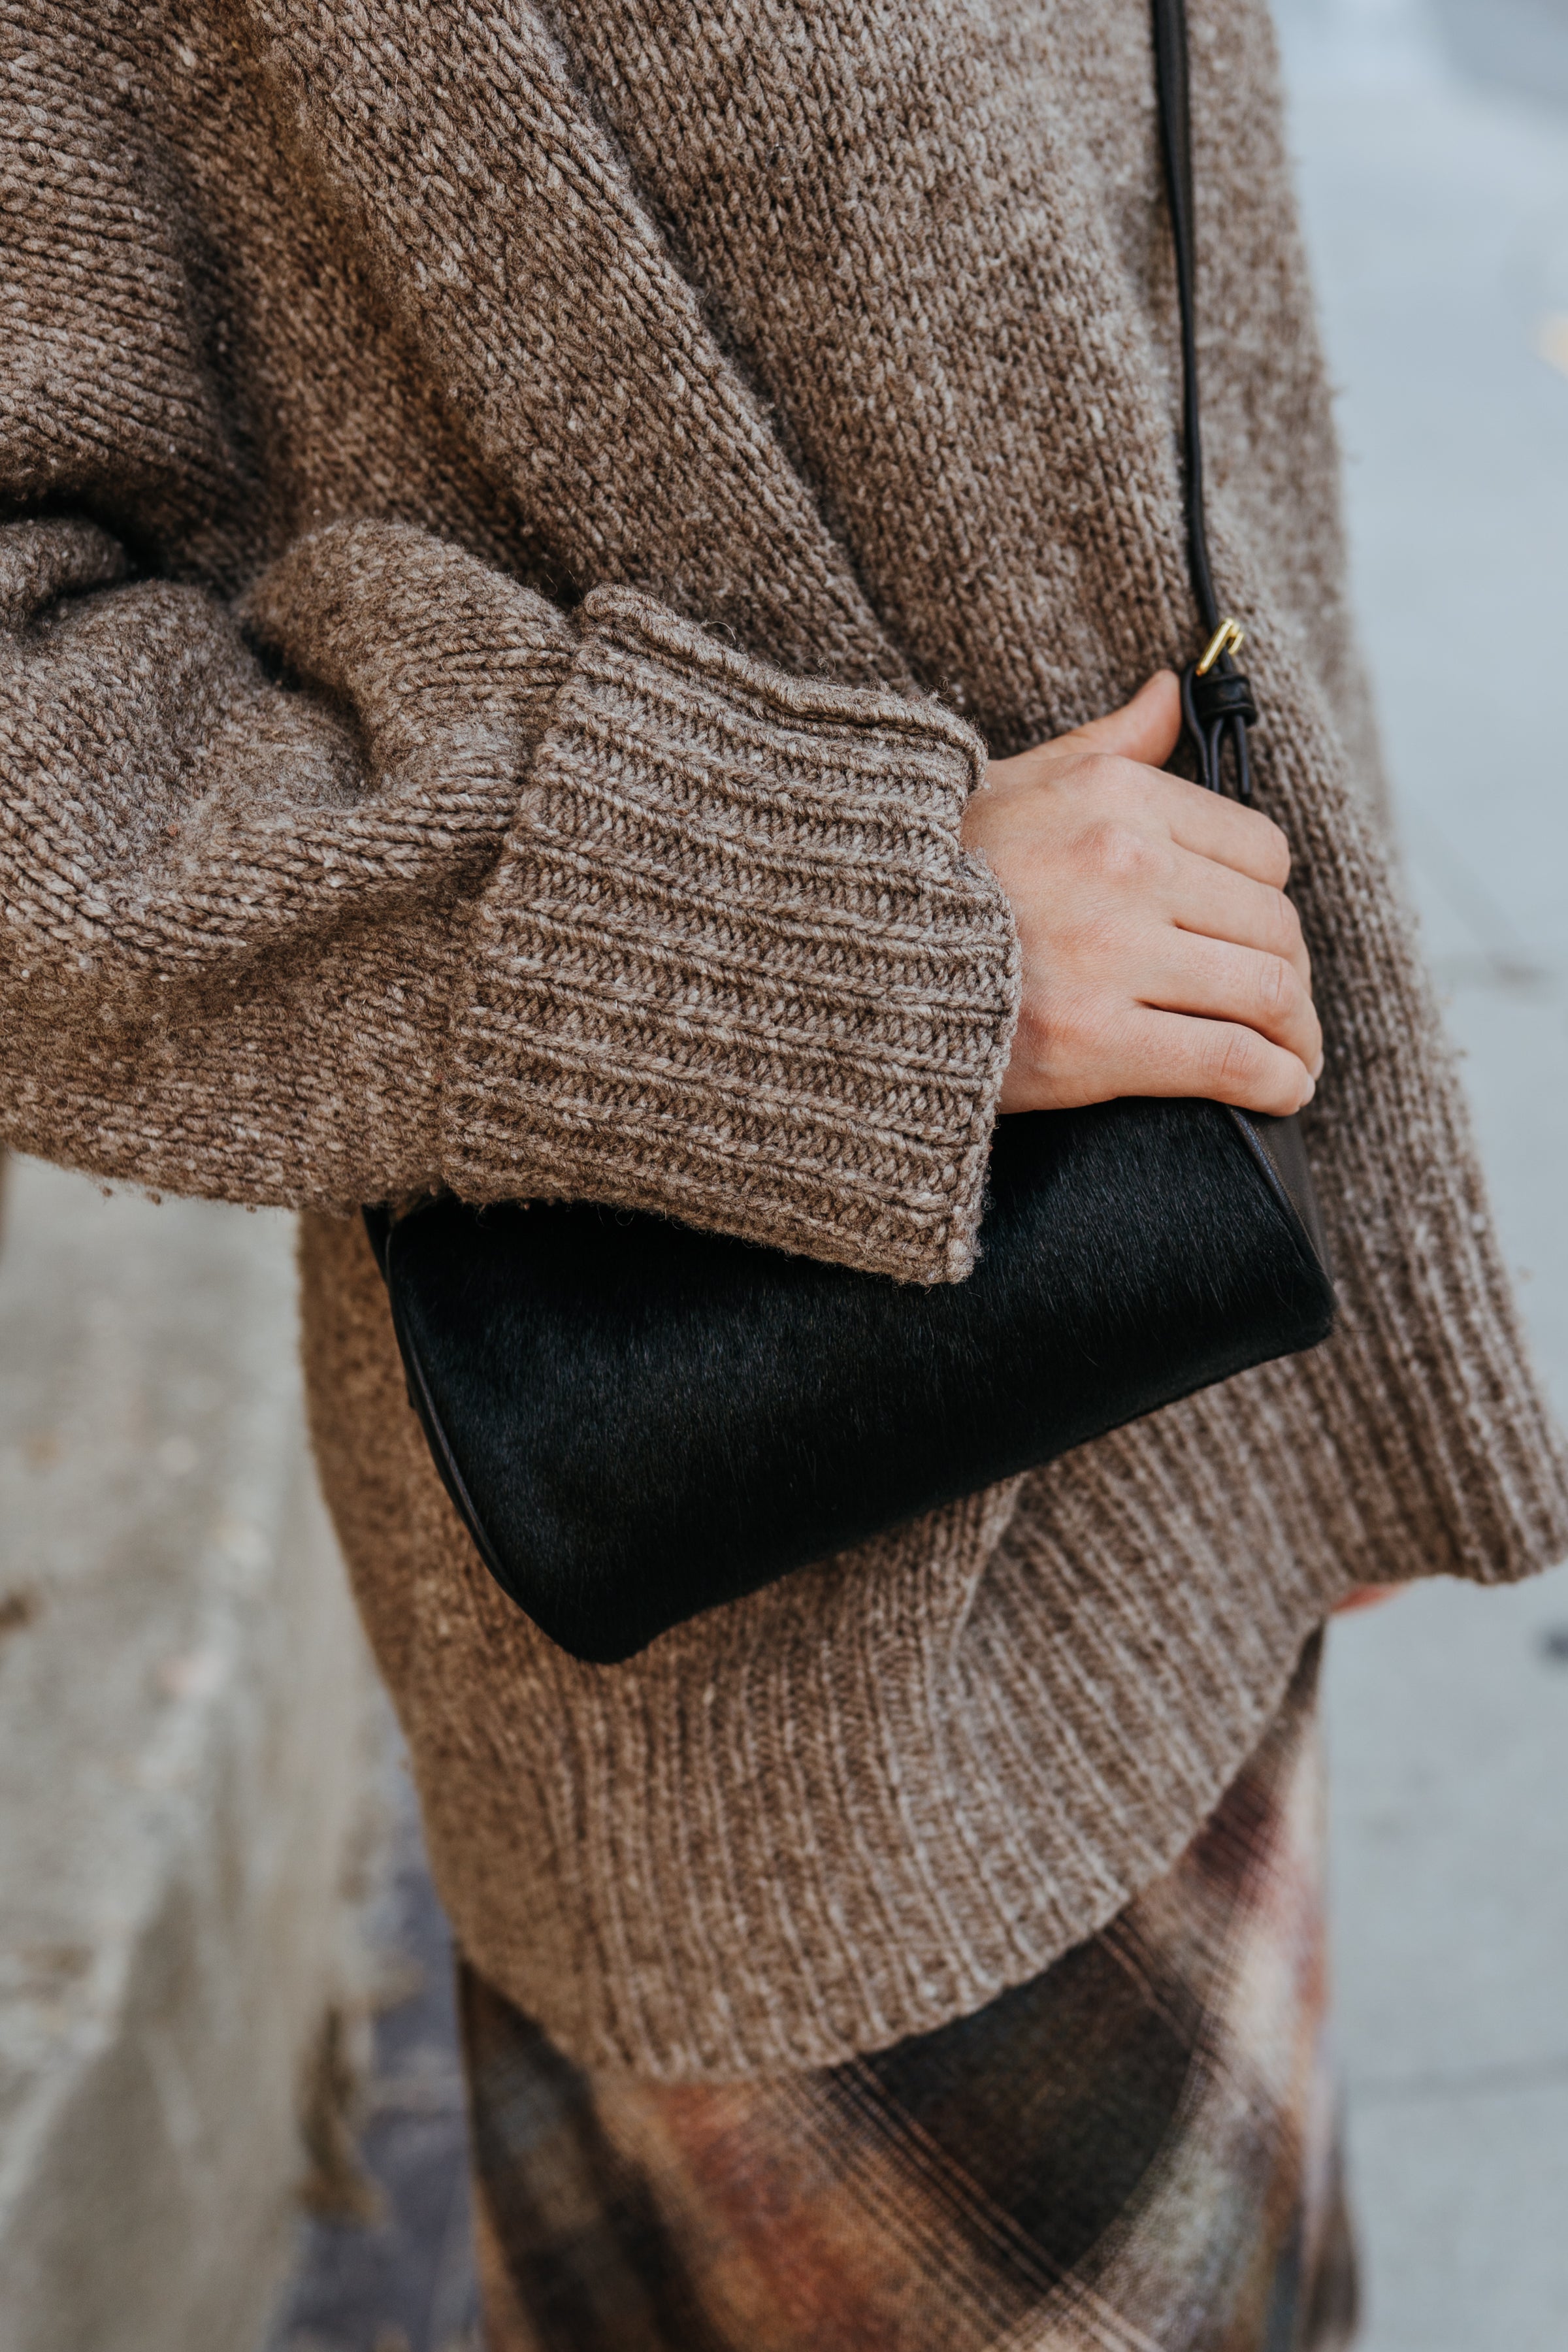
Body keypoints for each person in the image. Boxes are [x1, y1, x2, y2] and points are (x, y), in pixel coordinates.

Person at [3, 2, 1563, 2343]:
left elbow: (1161, 385)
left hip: (1179, 1362)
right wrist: (843, 923)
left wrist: (1361, 1319)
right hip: (791, 1664)